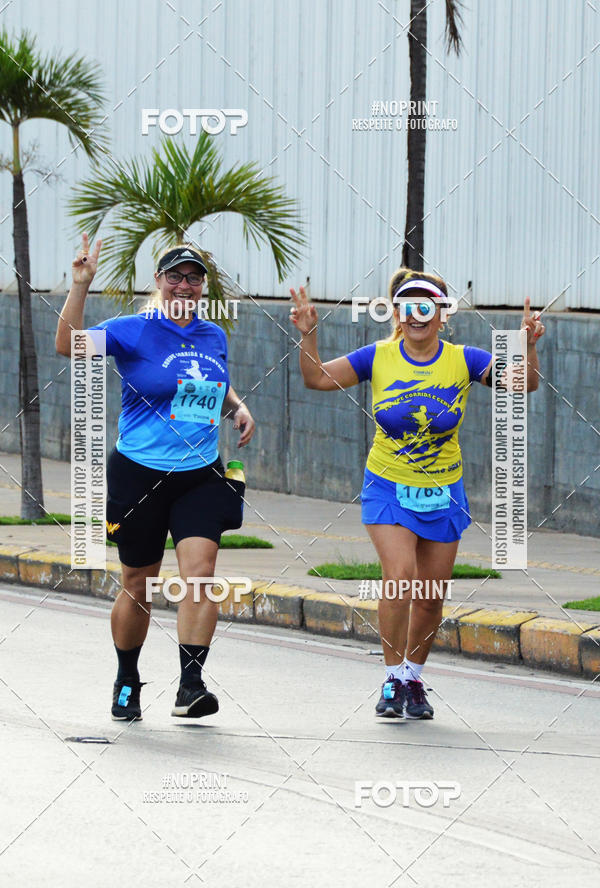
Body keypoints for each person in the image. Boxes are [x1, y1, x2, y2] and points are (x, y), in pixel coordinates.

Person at [290, 268, 544, 720]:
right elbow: (317, 379)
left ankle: (412, 677)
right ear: (398, 314)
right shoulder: (378, 357)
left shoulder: (465, 359)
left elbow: (523, 385)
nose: (417, 313)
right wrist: (308, 336)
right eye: (408, 305)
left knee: (429, 595)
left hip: (443, 490)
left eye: (427, 304)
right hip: (387, 486)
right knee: (402, 576)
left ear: (443, 314)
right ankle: (390, 679)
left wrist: (529, 350)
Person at [56, 234, 255, 721]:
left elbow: (210, 382)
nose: (185, 285)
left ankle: (190, 685)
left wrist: (237, 406)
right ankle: (127, 679)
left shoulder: (213, 334)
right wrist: (80, 286)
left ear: (203, 286)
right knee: (138, 583)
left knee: (200, 577)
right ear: (160, 283)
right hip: (139, 474)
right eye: (175, 276)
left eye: (194, 277)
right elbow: (68, 345)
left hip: (201, 473)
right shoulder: (134, 330)